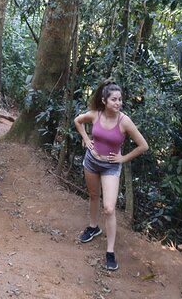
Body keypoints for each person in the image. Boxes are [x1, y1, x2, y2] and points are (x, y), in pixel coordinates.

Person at [73, 79, 149, 271]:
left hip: (110, 167)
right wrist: (86, 138)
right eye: (114, 99)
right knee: (93, 195)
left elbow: (143, 145)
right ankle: (93, 227)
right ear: (105, 101)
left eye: (120, 99)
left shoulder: (124, 121)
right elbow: (78, 121)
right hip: (91, 161)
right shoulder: (96, 115)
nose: (118, 103)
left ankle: (110, 251)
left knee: (108, 208)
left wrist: (123, 158)